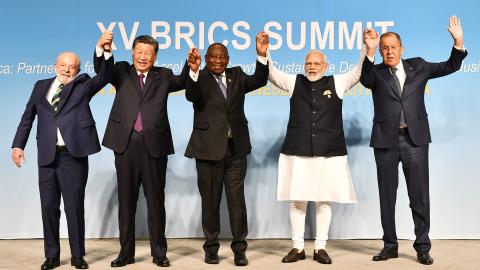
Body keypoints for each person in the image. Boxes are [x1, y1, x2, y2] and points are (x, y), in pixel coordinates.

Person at [360, 16, 467, 265]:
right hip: (385, 142)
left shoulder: (418, 66)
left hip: (415, 141)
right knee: (387, 196)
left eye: (392, 47)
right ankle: (390, 245)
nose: (388, 51)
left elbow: (451, 65)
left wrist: (458, 41)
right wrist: (369, 50)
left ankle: (422, 246)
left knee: (419, 196)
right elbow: (364, 79)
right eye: (384, 48)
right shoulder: (375, 72)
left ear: (401, 49)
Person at [266, 30, 377, 264]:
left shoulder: (337, 81)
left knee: (324, 199)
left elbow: (359, 71)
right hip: (297, 151)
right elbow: (271, 73)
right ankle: (297, 248)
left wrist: (366, 48)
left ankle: (320, 247)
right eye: (308, 63)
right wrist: (265, 52)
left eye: (317, 63)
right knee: (297, 200)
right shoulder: (293, 82)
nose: (312, 67)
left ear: (325, 65)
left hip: (329, 153)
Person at [11, 32, 114, 270]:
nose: (67, 70)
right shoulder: (40, 86)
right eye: (64, 65)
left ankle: (78, 255)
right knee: (48, 207)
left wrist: (103, 48)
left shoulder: (83, 84)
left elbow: (106, 74)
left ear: (78, 70)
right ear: (55, 66)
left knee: (74, 206)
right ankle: (52, 256)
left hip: (72, 155)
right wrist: (18, 145)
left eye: (73, 67)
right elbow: (27, 118)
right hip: (46, 155)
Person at [93, 35, 191, 268]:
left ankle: (159, 253)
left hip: (154, 147)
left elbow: (183, 81)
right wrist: (102, 48)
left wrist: (190, 64)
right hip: (125, 145)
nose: (143, 56)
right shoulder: (120, 70)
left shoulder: (164, 75)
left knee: (156, 202)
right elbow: (102, 70)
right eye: (139, 51)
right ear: (132, 52)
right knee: (126, 203)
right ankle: (125, 254)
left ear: (155, 56)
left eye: (148, 53)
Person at [184, 32, 269, 266]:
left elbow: (260, 80)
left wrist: (261, 55)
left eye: (222, 57)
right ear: (206, 59)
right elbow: (191, 95)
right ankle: (211, 249)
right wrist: (191, 70)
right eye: (213, 57)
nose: (217, 61)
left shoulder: (238, 76)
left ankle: (239, 249)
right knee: (210, 203)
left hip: (235, 150)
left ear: (228, 59)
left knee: (236, 203)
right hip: (207, 151)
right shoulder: (197, 78)